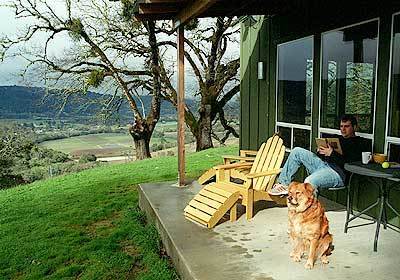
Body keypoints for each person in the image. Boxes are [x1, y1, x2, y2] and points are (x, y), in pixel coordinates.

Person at [268, 115, 369, 196]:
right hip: (324, 165)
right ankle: (283, 184)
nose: (343, 129)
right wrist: (321, 152)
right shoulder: (338, 138)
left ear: (355, 127)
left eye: (346, 126)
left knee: (309, 181)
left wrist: (331, 154)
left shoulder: (360, 143)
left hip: (338, 173)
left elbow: (349, 164)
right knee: (297, 151)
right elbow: (327, 156)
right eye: (341, 126)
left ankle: (309, 211)